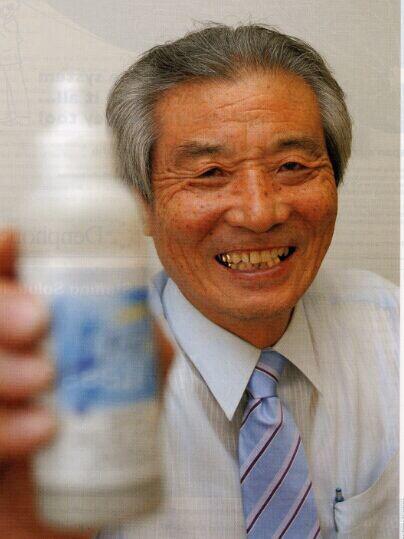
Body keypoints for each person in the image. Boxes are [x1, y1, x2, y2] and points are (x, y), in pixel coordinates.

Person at [0, 23, 398, 539]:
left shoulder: (392, 330)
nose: (259, 213)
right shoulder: (76, 375)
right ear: (141, 205)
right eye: (210, 173)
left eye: (292, 165)